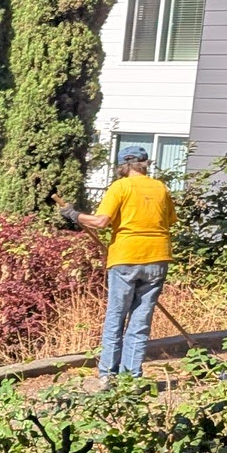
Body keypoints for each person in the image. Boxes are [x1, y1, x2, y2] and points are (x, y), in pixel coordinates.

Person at [69, 150, 176, 387]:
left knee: (116, 316)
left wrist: (75, 215)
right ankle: (132, 378)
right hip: (157, 258)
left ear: (123, 166)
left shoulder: (120, 187)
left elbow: (101, 222)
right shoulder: (160, 188)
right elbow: (169, 221)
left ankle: (108, 375)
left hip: (126, 257)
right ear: (144, 164)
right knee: (140, 320)